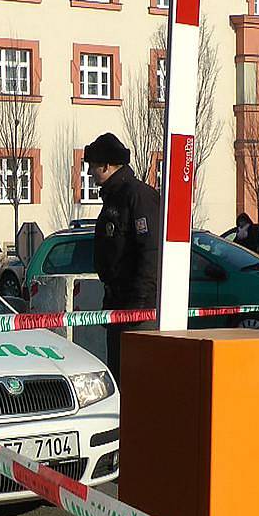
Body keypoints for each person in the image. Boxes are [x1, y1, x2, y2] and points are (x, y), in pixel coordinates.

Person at [86, 132, 161, 385]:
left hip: (136, 310)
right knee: (119, 379)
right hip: (118, 304)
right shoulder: (114, 197)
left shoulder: (137, 196)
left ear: (106, 166)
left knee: (137, 382)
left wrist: (138, 306)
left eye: (93, 167)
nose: (91, 173)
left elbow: (150, 253)